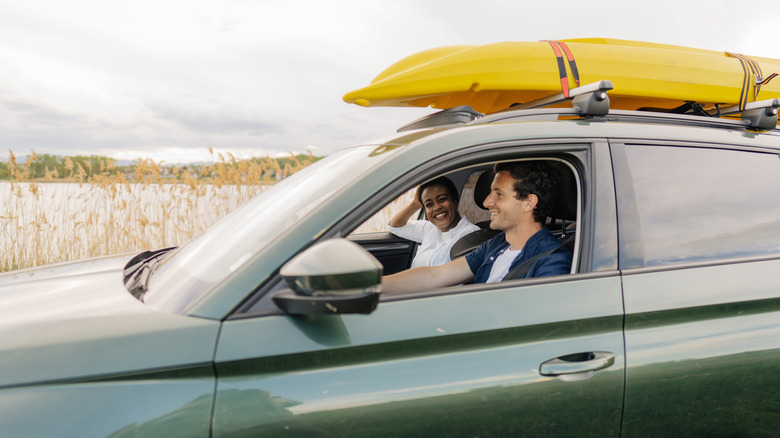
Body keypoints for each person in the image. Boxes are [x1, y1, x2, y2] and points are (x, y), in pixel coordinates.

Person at [382, 161, 572, 293]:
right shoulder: (497, 244)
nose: (487, 201)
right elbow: (436, 275)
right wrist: (373, 287)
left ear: (528, 202)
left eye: (498, 194)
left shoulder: (552, 263)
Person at [388, 176, 480, 267]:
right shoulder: (429, 228)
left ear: (455, 201)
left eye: (442, 199)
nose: (436, 208)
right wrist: (415, 204)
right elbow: (395, 226)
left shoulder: (471, 234)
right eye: (429, 204)